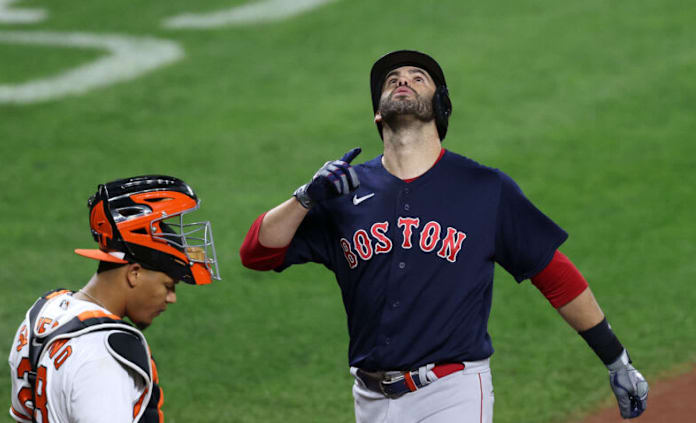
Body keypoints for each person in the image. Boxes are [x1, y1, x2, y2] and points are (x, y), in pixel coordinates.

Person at [240, 50, 648, 422]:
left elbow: (554, 275)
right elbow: (257, 254)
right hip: (369, 400)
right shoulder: (343, 190)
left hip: (451, 393)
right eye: (392, 79)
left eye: (418, 77)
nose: (402, 80)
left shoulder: (484, 189)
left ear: (440, 106)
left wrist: (617, 360)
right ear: (378, 115)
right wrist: (306, 198)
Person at [8, 175, 220, 423]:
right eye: (168, 285)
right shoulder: (105, 355)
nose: (171, 298)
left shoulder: (44, 313)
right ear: (135, 273)